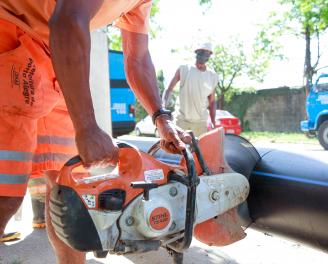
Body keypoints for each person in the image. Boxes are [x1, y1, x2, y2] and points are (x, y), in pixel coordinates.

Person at [0, 0, 190, 263]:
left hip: (56, 59)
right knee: (5, 195)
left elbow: (137, 57)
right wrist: (86, 127)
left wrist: (161, 118)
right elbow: (67, 20)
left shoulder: (141, 3)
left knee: (68, 190)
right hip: (11, 31)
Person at [163, 43, 219, 137]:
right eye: (201, 53)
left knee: (198, 151)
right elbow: (169, 89)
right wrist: (163, 108)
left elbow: (212, 101)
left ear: (209, 56)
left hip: (200, 123)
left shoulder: (212, 76)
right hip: (181, 121)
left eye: (206, 54)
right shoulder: (184, 69)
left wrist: (213, 122)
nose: (203, 56)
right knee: (179, 149)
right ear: (196, 53)